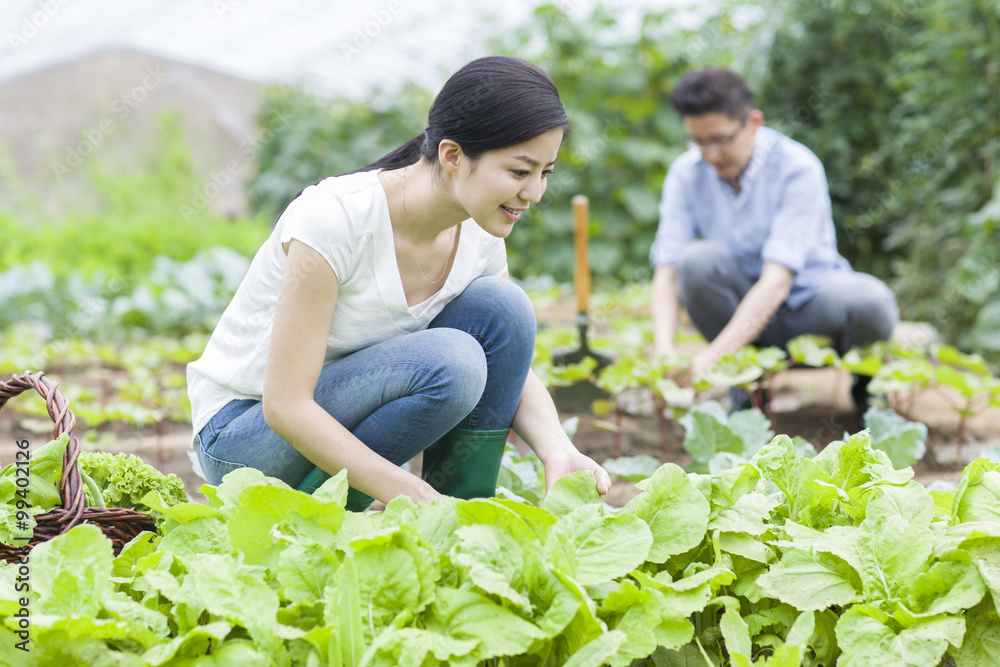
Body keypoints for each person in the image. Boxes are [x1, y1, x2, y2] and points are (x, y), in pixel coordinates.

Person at [187, 55, 611, 510]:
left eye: (545, 173)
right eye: (519, 172)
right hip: (242, 438)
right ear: (452, 155)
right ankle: (307, 515)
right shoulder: (336, 218)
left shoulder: (478, 231)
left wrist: (556, 448)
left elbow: (507, 355)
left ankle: (464, 513)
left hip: (339, 413)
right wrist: (406, 490)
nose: (535, 193)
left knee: (503, 308)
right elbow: (286, 407)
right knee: (452, 363)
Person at [648, 68, 899, 414]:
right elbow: (668, 270)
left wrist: (711, 358)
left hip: (810, 310)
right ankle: (748, 386)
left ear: (753, 122)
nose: (710, 154)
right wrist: (664, 350)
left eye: (720, 140)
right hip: (742, 313)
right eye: (698, 141)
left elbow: (778, 281)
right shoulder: (686, 173)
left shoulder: (797, 167)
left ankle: (866, 387)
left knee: (872, 301)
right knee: (695, 261)